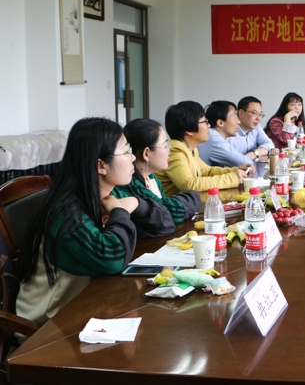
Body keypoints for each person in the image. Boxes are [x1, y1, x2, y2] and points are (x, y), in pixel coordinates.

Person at [16, 118, 139, 327]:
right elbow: (111, 258)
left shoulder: (107, 193)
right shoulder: (65, 212)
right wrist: (120, 211)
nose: (133, 157)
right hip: (48, 327)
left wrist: (136, 203)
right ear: (101, 165)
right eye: (126, 151)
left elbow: (160, 220)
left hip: (85, 309)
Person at [113, 119, 201, 231]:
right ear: (146, 153)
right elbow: (169, 213)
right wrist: (194, 196)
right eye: (165, 146)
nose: (169, 151)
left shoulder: (151, 177)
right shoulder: (130, 183)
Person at [155, 101, 248, 196]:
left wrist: (235, 170)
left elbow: (206, 171)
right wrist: (233, 178)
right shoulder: (175, 152)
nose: (209, 125)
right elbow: (189, 185)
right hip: (171, 204)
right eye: (204, 122)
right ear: (189, 130)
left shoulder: (190, 149)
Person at [197, 100, 259, 167]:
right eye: (235, 117)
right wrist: (254, 154)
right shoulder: (214, 138)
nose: (239, 122)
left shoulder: (216, 136)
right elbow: (246, 163)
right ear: (220, 123)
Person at [230, 96, 274, 161]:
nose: (258, 118)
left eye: (260, 114)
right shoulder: (229, 132)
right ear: (241, 113)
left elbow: (270, 145)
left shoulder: (256, 127)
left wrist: (255, 153)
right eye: (254, 113)